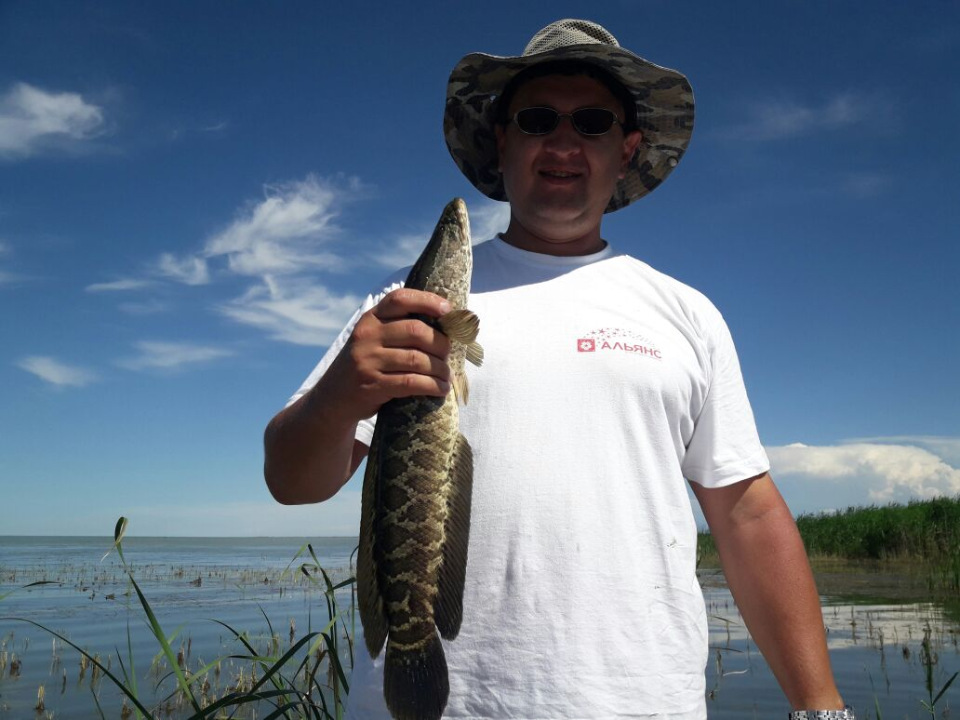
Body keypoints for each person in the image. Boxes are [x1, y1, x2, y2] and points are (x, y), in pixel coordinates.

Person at [264, 18, 854, 720]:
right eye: (538, 119)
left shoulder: (687, 314)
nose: (564, 143)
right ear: (503, 140)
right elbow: (292, 483)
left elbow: (748, 513)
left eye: (593, 122)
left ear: (627, 148)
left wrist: (821, 707)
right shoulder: (402, 306)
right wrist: (336, 396)